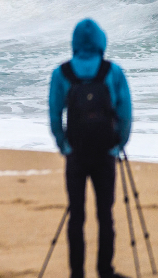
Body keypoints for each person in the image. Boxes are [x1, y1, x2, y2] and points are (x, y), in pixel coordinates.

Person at [48, 19, 132, 278]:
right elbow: (125, 114)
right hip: (105, 154)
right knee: (105, 215)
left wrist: (64, 146)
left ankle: (77, 273)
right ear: (101, 41)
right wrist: (118, 145)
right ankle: (105, 271)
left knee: (77, 216)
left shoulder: (62, 73)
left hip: (76, 155)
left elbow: (54, 116)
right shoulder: (113, 72)